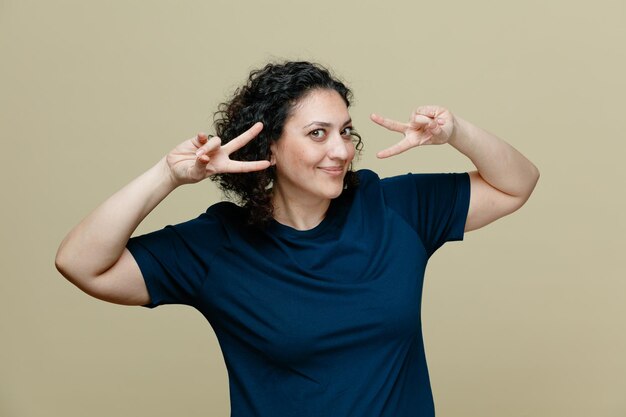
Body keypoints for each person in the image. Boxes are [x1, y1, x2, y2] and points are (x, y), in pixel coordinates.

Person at [55, 61, 539, 416]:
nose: (341, 150)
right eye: (317, 133)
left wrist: (456, 133)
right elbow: (81, 262)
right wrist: (167, 175)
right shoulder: (219, 245)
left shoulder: (394, 208)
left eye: (345, 131)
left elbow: (517, 183)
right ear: (270, 146)